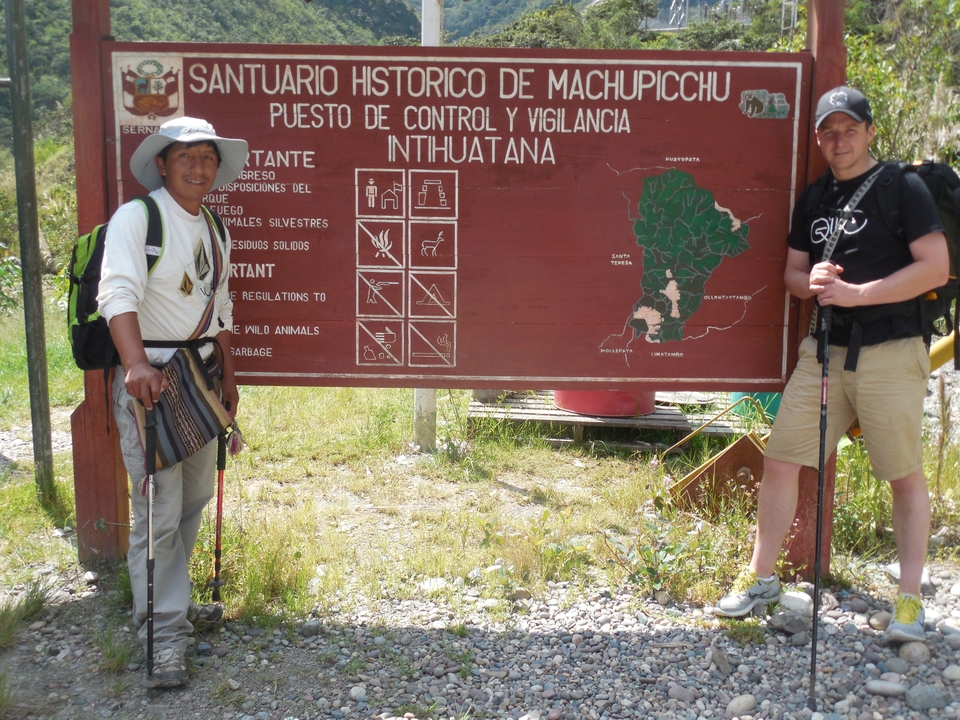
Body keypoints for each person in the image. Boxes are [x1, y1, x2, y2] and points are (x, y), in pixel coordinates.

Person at [715, 87, 948, 644]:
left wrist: (859, 293)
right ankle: (763, 579)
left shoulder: (904, 188)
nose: (838, 140)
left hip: (891, 351)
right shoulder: (815, 196)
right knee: (781, 459)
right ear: (817, 138)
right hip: (822, 353)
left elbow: (935, 267)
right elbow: (794, 276)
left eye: (849, 128)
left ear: (870, 131)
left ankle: (909, 604)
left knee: (902, 476)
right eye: (828, 131)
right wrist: (813, 284)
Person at [98, 116, 248, 686]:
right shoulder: (139, 218)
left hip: (201, 380)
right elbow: (116, 291)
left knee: (193, 496)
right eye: (185, 156)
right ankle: (161, 638)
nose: (197, 166)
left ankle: (174, 607)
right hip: (154, 384)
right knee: (159, 512)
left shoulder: (213, 226)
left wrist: (229, 377)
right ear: (162, 164)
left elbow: (223, 306)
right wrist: (135, 363)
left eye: (207, 157)